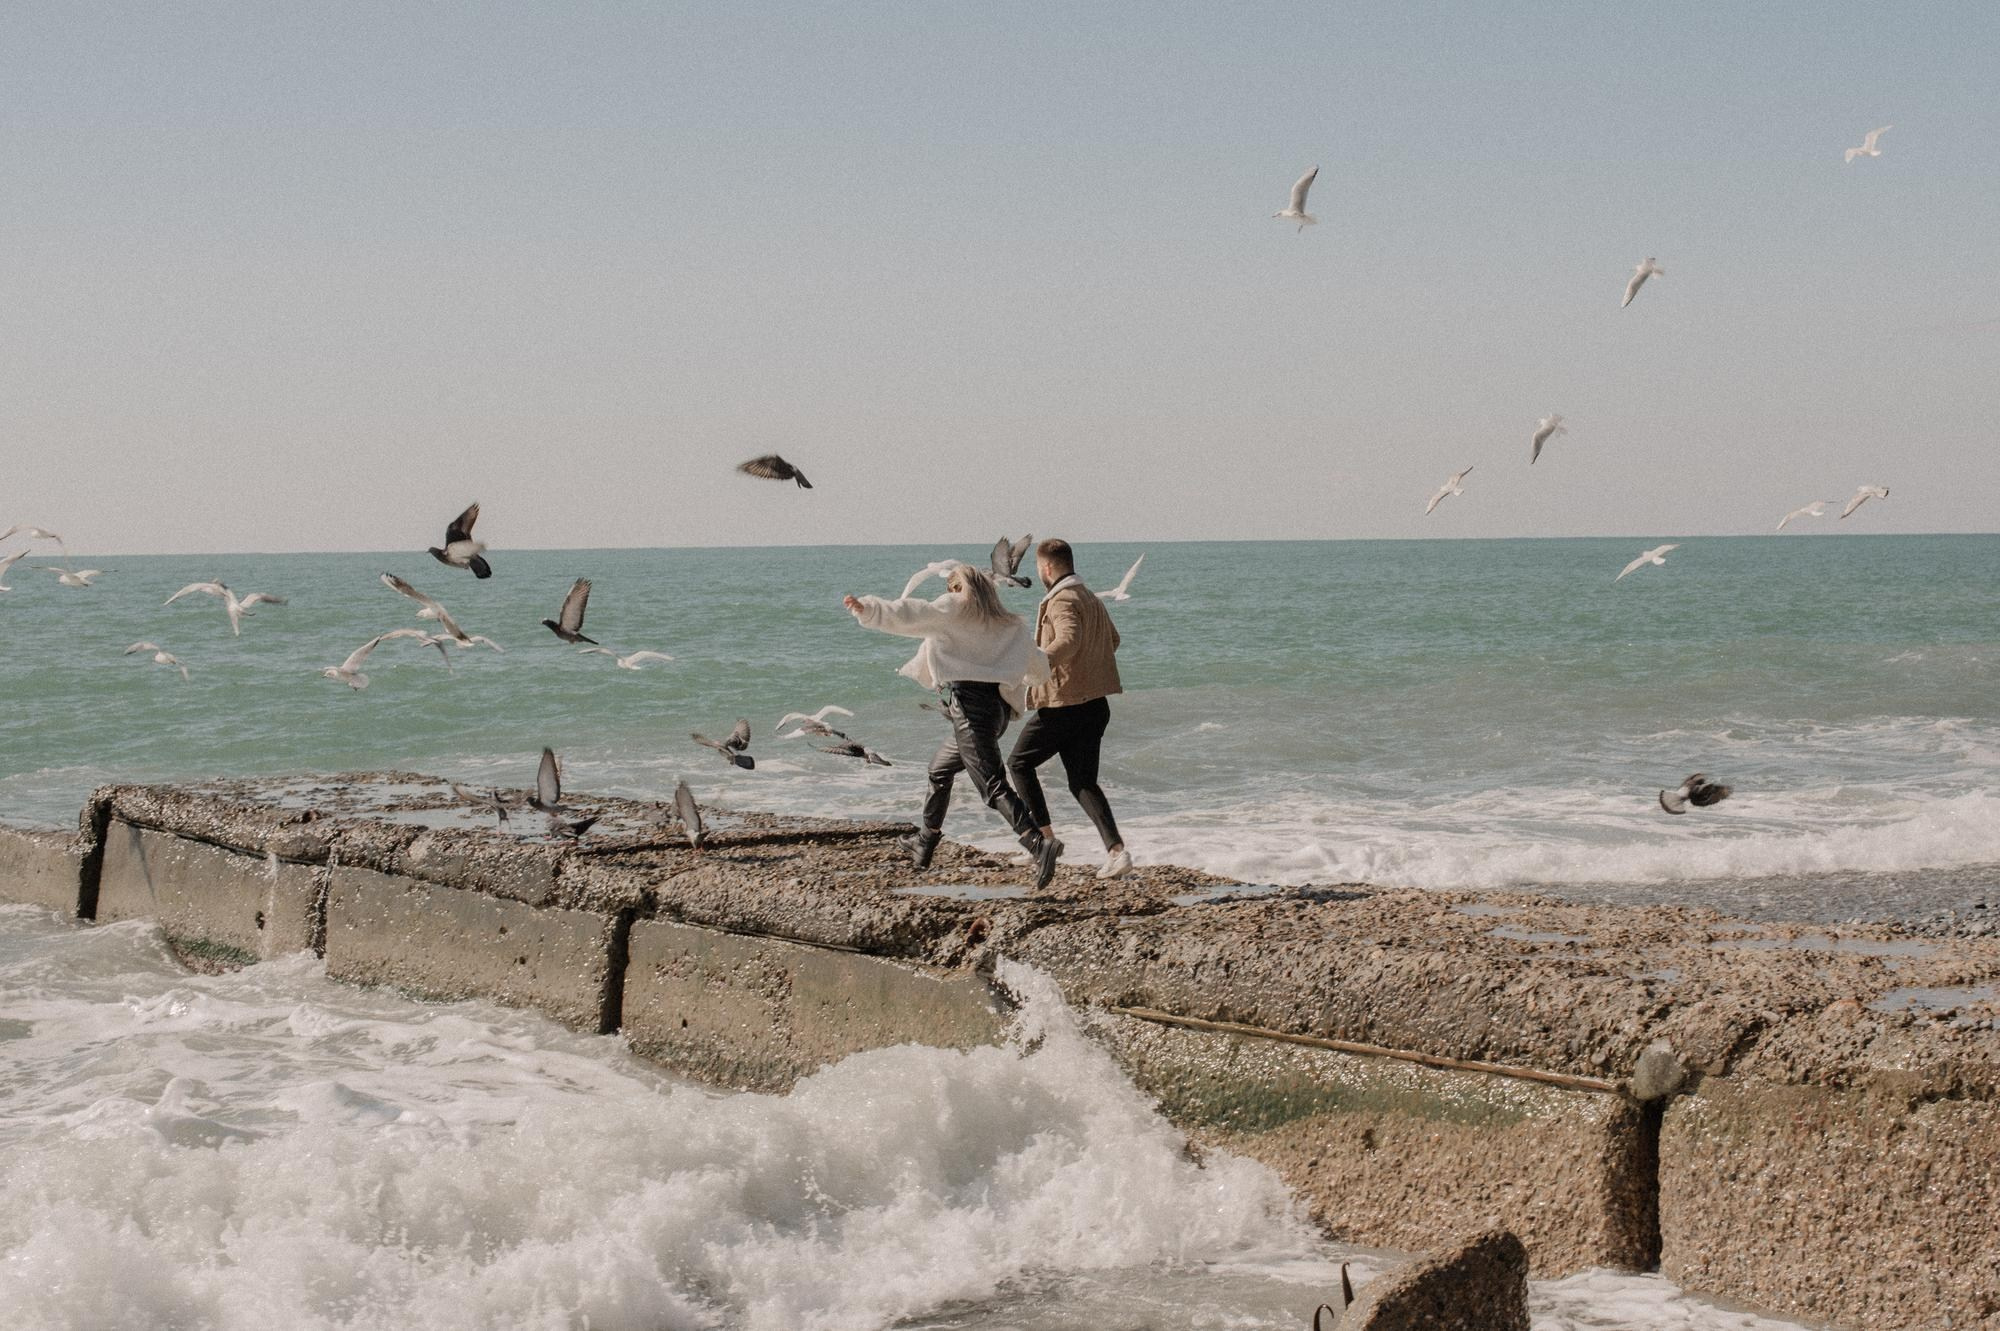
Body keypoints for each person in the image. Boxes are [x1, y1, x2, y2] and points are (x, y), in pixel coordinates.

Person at [843, 565, 1062, 888]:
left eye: (952, 588)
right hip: (997, 711)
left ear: (960, 588)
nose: (949, 594)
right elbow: (1040, 670)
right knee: (939, 770)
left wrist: (870, 609)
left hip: (970, 709)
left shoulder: (955, 606)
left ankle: (1037, 843)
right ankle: (925, 840)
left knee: (992, 784)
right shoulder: (1011, 623)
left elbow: (913, 612)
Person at [1006, 538, 1131, 879]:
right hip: (1095, 705)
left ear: (1046, 568)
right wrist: (1088, 667)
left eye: (1038, 568)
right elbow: (1113, 640)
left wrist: (1034, 665)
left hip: (1065, 706)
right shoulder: (1090, 597)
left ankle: (1043, 842)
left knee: (1019, 764)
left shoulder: (1062, 599)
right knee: (1083, 782)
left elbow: (1069, 640)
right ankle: (1117, 853)